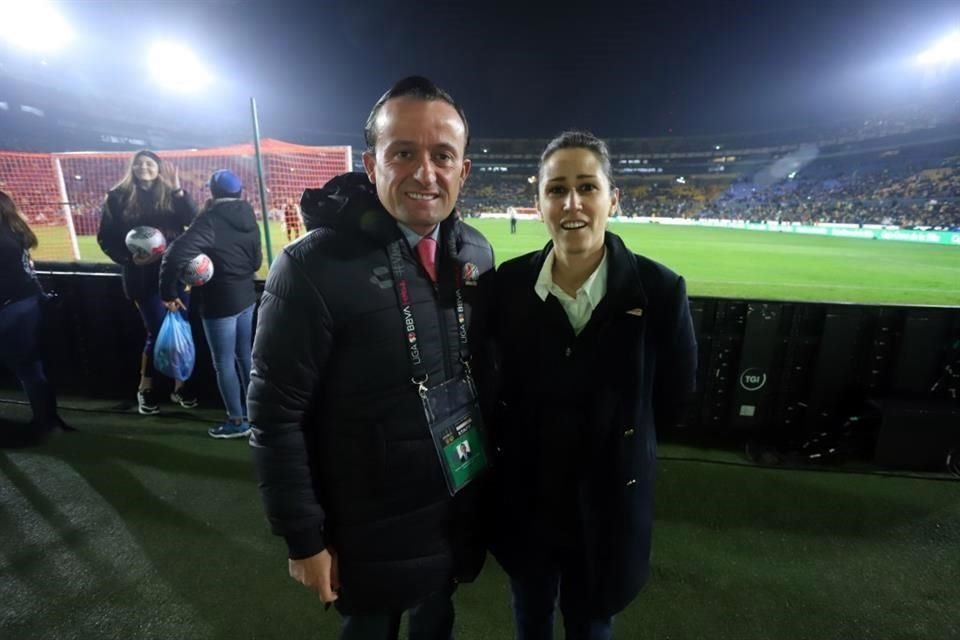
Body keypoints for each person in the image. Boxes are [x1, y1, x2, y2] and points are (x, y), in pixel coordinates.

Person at [248, 76, 495, 640]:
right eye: (403, 153)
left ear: (464, 170)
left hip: (453, 510)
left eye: (442, 155)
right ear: (371, 162)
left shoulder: (477, 253)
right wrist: (303, 538)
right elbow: (274, 414)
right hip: (365, 528)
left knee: (437, 621)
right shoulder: (310, 268)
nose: (424, 173)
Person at [487, 131, 697, 640]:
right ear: (538, 203)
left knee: (592, 624)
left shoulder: (662, 291)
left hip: (607, 510)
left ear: (612, 199)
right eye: (556, 190)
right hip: (528, 502)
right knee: (531, 617)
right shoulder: (505, 289)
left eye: (587, 187)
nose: (572, 203)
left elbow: (674, 401)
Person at [159, 169, 263, 439]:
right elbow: (256, 262)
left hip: (220, 301)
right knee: (245, 357)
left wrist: (169, 293)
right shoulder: (247, 213)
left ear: (212, 192)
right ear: (239, 192)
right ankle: (257, 415)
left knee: (224, 363)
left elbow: (173, 256)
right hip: (247, 296)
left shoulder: (210, 219)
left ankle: (238, 421)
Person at [97, 150, 198, 415]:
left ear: (158, 168)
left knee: (182, 330)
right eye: (140, 163)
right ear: (132, 167)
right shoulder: (117, 197)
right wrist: (128, 259)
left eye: (150, 163)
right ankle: (146, 388)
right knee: (158, 332)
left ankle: (180, 387)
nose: (144, 167)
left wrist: (178, 192)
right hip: (142, 278)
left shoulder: (170, 193)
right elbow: (105, 238)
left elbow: (193, 222)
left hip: (176, 274)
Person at [0, 190, 72, 446]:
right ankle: (48, 419)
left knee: (29, 368)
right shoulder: (13, 229)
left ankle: (45, 422)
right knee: (32, 368)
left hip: (10, 308)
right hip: (28, 302)